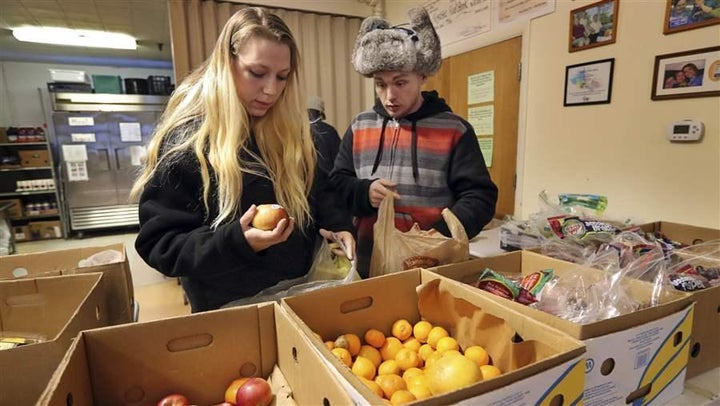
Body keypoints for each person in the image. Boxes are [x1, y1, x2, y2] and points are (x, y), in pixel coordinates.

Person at [130, 7, 355, 312]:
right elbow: (161, 245)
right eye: (257, 73)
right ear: (227, 63)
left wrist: (338, 225)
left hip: (299, 297)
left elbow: (321, 190)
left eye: (282, 77)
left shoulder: (292, 134)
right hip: (231, 312)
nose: (271, 90)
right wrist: (238, 241)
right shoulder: (187, 145)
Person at [330, 7, 498, 278]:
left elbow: (480, 197)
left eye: (400, 83)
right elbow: (337, 182)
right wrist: (364, 191)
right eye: (380, 85)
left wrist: (439, 238)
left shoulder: (454, 129)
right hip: (367, 262)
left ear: (421, 76)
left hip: (432, 266)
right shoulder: (360, 126)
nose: (389, 96)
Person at [308, 95, 341, 174]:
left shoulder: (297, 132)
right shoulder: (329, 131)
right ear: (320, 113)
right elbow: (339, 159)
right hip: (327, 180)